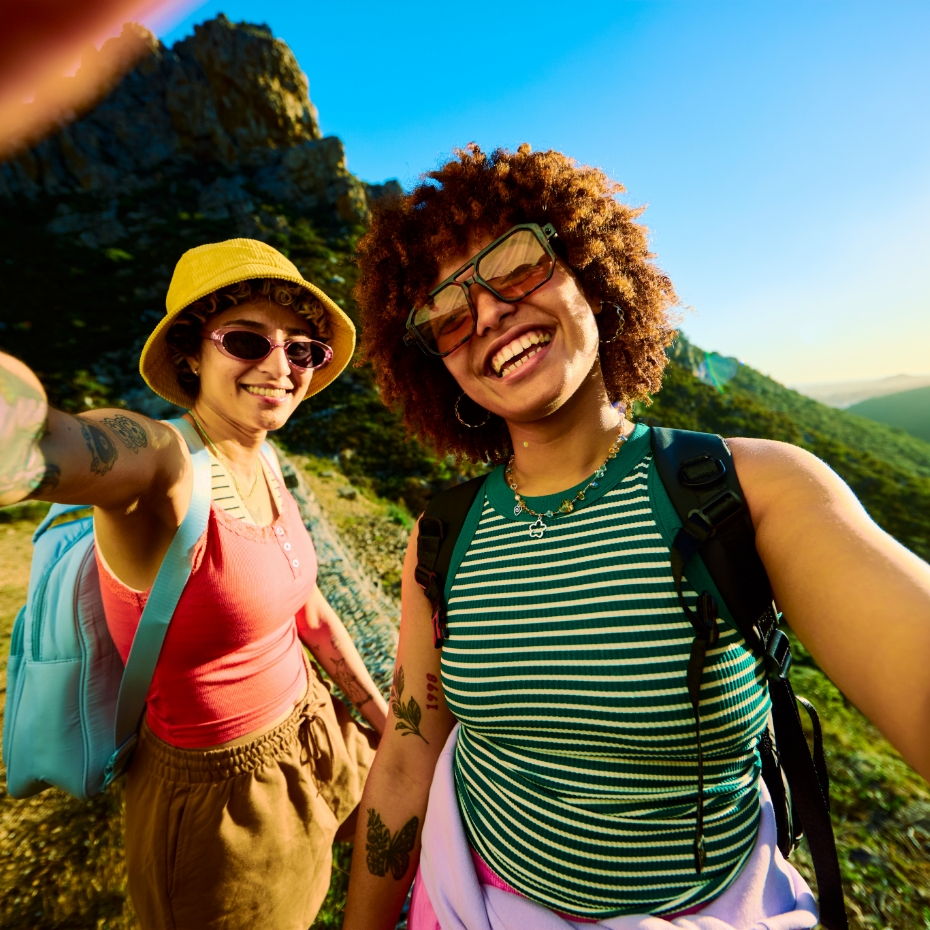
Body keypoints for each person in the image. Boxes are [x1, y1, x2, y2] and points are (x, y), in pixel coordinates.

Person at [340, 145, 930, 930]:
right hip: (469, 905)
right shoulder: (442, 537)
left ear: (586, 264)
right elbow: (411, 754)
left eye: (514, 265)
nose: (484, 314)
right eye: (445, 316)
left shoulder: (751, 491)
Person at [0, 237, 388, 930]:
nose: (281, 366)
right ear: (190, 353)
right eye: (246, 341)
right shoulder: (165, 467)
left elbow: (311, 610)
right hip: (222, 806)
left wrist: (378, 717)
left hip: (316, 727)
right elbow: (68, 446)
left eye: (302, 350)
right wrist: (26, 439)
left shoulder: (266, 458)